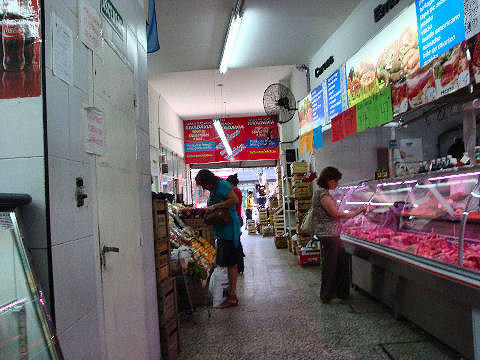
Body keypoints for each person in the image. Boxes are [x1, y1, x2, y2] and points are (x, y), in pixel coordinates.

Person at [312, 167, 365, 304]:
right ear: (329, 180)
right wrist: (355, 213)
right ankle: (327, 295)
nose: (337, 184)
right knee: (331, 265)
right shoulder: (323, 194)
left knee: (340, 262)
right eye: (336, 181)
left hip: (331, 233)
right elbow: (335, 214)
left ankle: (341, 292)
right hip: (329, 235)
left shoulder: (323, 193)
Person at [195, 169, 241, 308]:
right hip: (222, 232)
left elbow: (234, 200)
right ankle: (229, 294)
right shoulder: (215, 188)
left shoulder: (223, 185)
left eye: (203, 184)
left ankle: (232, 297)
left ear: (207, 181)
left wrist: (215, 206)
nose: (203, 188)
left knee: (231, 262)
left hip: (229, 231)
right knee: (227, 263)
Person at [227, 174, 246, 274]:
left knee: (236, 243)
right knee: (237, 242)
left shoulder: (234, 191)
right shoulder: (237, 191)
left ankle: (239, 267)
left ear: (231, 183)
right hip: (238, 218)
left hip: (236, 218)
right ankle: (240, 267)